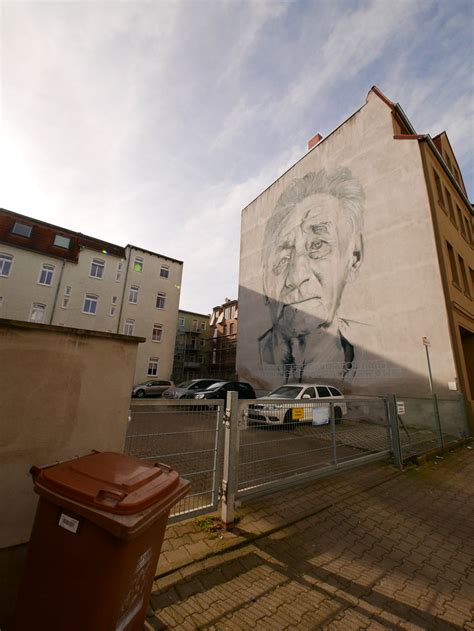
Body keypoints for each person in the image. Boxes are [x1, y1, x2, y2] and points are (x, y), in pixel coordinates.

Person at [259, 167, 370, 382]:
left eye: (318, 245)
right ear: (264, 281)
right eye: (282, 259)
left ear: (354, 257)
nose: (295, 277)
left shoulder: (371, 346)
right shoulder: (251, 366)